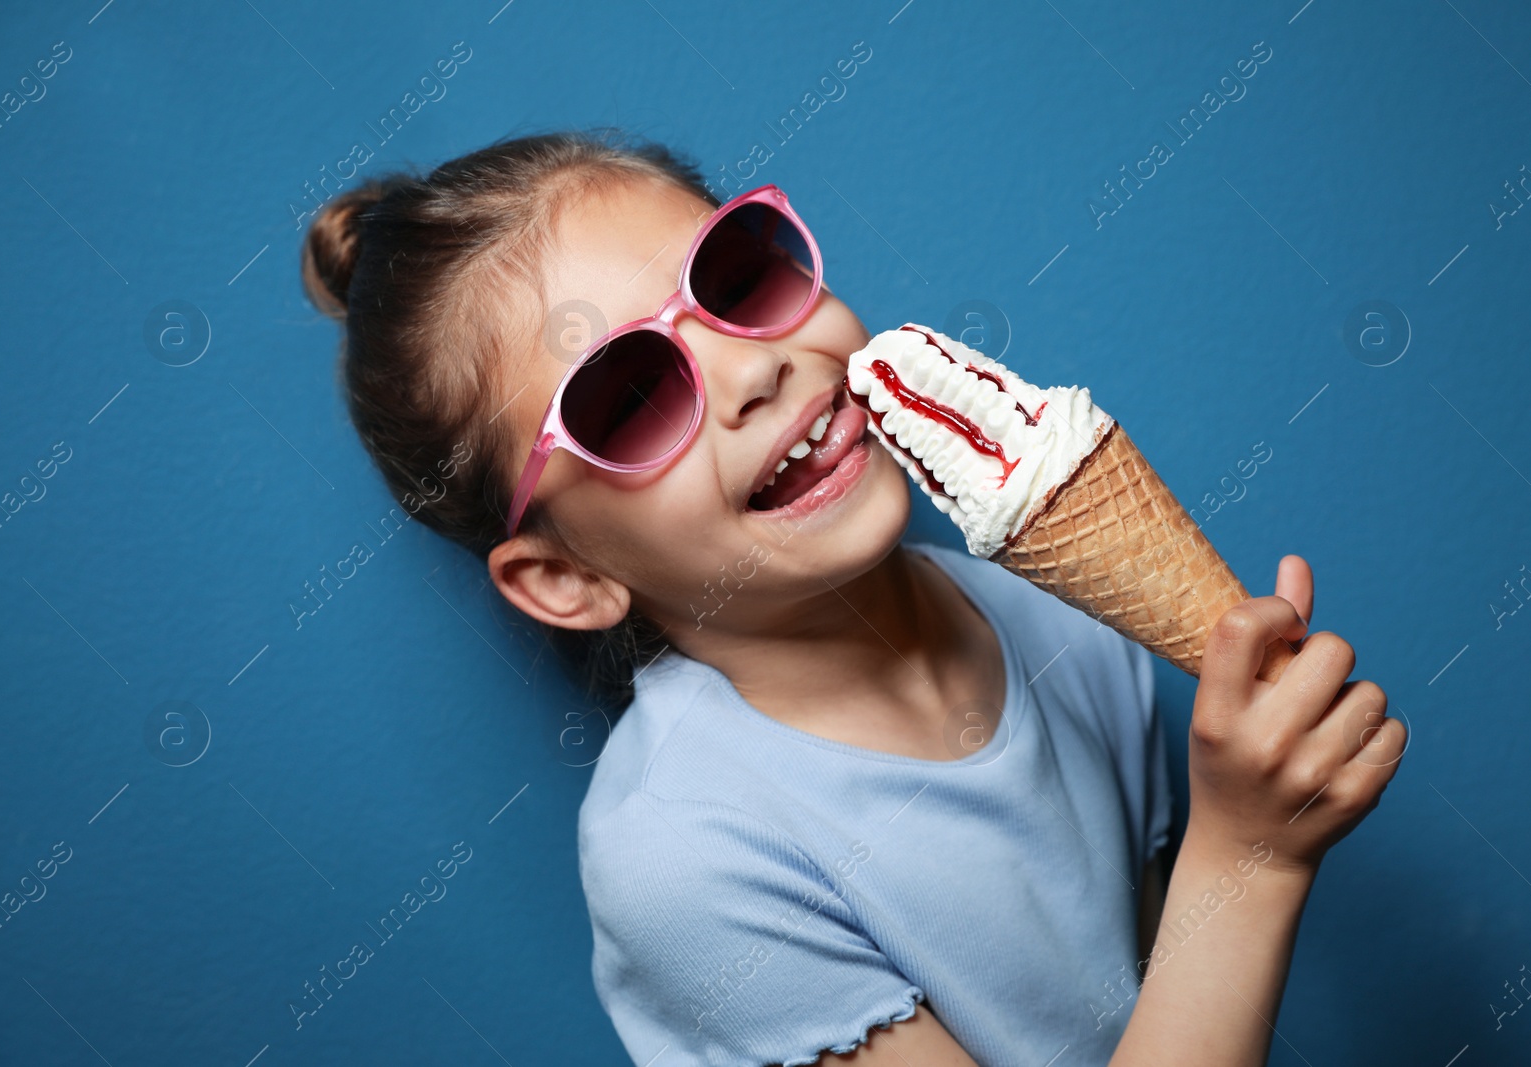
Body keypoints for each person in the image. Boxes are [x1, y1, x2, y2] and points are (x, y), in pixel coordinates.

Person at [300, 128, 1407, 1067]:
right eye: (629, 395)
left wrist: (1244, 809)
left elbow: (1166, 987)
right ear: (565, 576)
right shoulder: (686, 861)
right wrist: (1249, 856)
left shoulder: (1063, 615)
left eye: (735, 279)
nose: (753, 369)